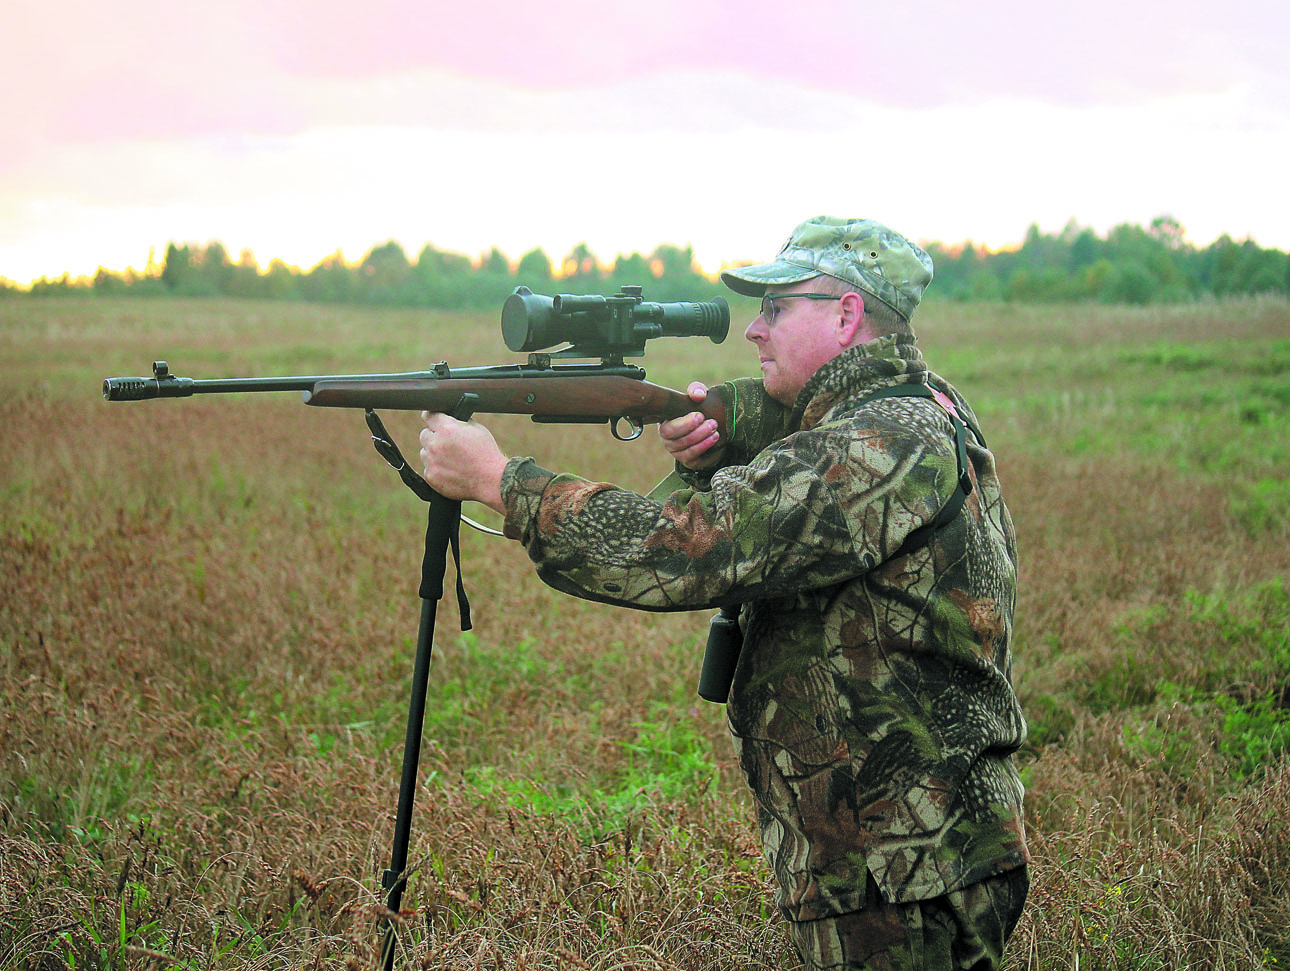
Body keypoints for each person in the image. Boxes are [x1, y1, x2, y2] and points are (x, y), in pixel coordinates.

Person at [418, 216, 1030, 970]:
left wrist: (500, 481)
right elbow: (801, 419)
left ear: (846, 316)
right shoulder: (919, 401)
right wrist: (721, 419)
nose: (753, 329)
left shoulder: (880, 444)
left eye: (778, 308)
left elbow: (683, 550)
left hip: (903, 870)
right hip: (908, 852)